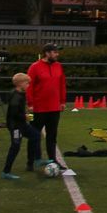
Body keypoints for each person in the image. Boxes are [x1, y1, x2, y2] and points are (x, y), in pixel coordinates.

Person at [27, 44, 72, 176]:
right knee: (34, 136)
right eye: (54, 52)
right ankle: (31, 161)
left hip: (54, 107)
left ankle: (53, 160)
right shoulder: (35, 67)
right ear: (47, 53)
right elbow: (29, 86)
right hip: (39, 108)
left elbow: (62, 84)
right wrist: (30, 103)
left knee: (52, 136)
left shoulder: (59, 66)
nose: (57, 54)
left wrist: (62, 101)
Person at [1, 71, 40, 179]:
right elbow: (13, 114)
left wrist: (25, 113)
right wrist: (25, 116)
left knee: (35, 135)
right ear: (20, 84)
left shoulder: (19, 94)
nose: (28, 85)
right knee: (15, 147)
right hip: (16, 127)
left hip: (21, 124)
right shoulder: (16, 96)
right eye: (27, 83)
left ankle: (34, 161)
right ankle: (6, 171)